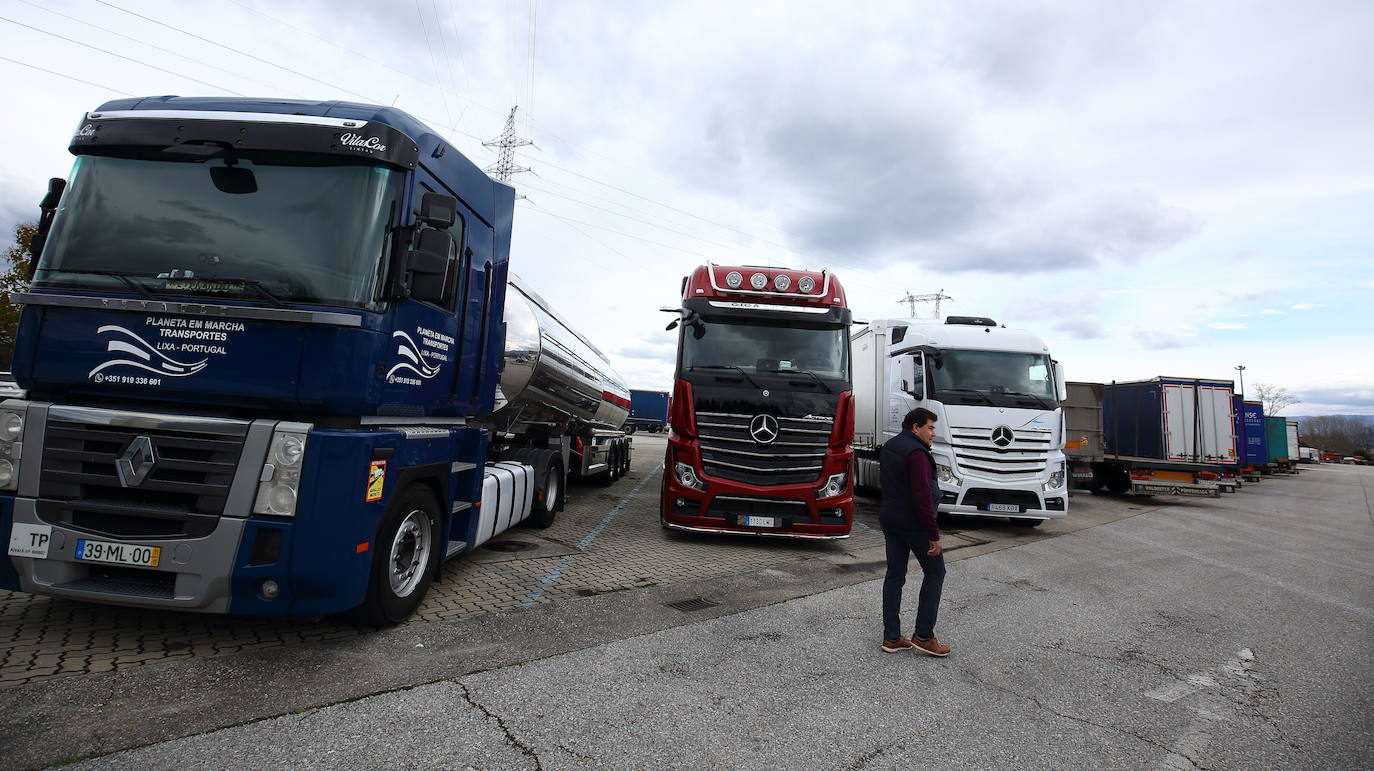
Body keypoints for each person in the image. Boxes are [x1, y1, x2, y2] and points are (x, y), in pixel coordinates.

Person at [878, 407, 950, 656]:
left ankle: (892, 637)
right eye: (930, 427)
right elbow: (922, 495)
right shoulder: (917, 453)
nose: (933, 433)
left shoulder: (890, 447)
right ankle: (924, 635)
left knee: (895, 575)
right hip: (915, 524)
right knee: (935, 572)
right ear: (915, 427)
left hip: (890, 520)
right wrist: (933, 533)